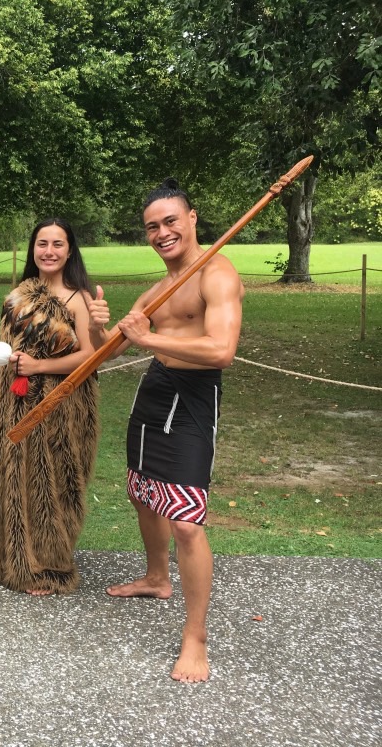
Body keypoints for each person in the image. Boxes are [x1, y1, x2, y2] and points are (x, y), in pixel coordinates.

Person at [98, 178, 244, 683]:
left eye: (170, 221)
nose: (161, 233)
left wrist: (148, 337)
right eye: (152, 227)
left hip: (193, 398)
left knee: (185, 521)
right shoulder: (157, 289)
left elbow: (222, 350)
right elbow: (111, 348)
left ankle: (195, 638)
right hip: (154, 390)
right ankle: (157, 578)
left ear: (192, 219)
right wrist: (102, 326)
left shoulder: (217, 275)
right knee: (142, 493)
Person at [0, 218, 103, 596]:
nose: (49, 251)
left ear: (69, 250)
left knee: (51, 481)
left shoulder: (80, 298)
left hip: (59, 403)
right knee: (11, 477)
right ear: (33, 249)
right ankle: (4, 560)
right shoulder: (19, 294)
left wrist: (40, 366)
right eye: (42, 243)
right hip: (13, 398)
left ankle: (49, 567)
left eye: (57, 244)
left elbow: (91, 357)